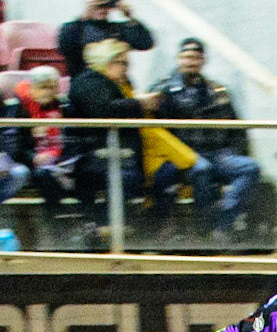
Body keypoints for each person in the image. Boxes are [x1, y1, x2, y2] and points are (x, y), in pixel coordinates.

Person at [148, 38, 261, 241]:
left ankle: (222, 224)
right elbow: (155, 130)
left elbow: (236, 129)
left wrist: (238, 151)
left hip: (218, 152)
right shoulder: (163, 90)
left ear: (203, 60)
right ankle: (204, 229)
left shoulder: (216, 91)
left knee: (249, 168)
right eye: (187, 57)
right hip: (183, 153)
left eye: (196, 57)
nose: (191, 62)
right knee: (202, 170)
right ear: (179, 59)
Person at [66, 38, 156, 247]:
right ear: (108, 61)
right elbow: (104, 111)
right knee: (123, 175)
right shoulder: (87, 82)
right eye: (122, 63)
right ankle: (101, 228)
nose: (126, 69)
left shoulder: (116, 84)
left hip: (118, 150)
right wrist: (140, 103)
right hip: (89, 153)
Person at [1, 68, 71, 225]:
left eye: (52, 87)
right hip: (33, 160)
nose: (48, 92)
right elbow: (13, 144)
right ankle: (58, 221)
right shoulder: (18, 109)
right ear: (32, 88)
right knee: (43, 174)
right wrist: (34, 157)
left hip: (62, 157)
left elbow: (73, 136)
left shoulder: (64, 107)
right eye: (42, 87)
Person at [58, 0, 155, 78]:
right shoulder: (74, 29)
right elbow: (65, 48)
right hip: (87, 84)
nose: (102, 9)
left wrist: (130, 17)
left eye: (106, 5)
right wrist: (84, 16)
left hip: (116, 84)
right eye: (98, 6)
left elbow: (145, 43)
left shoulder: (117, 29)